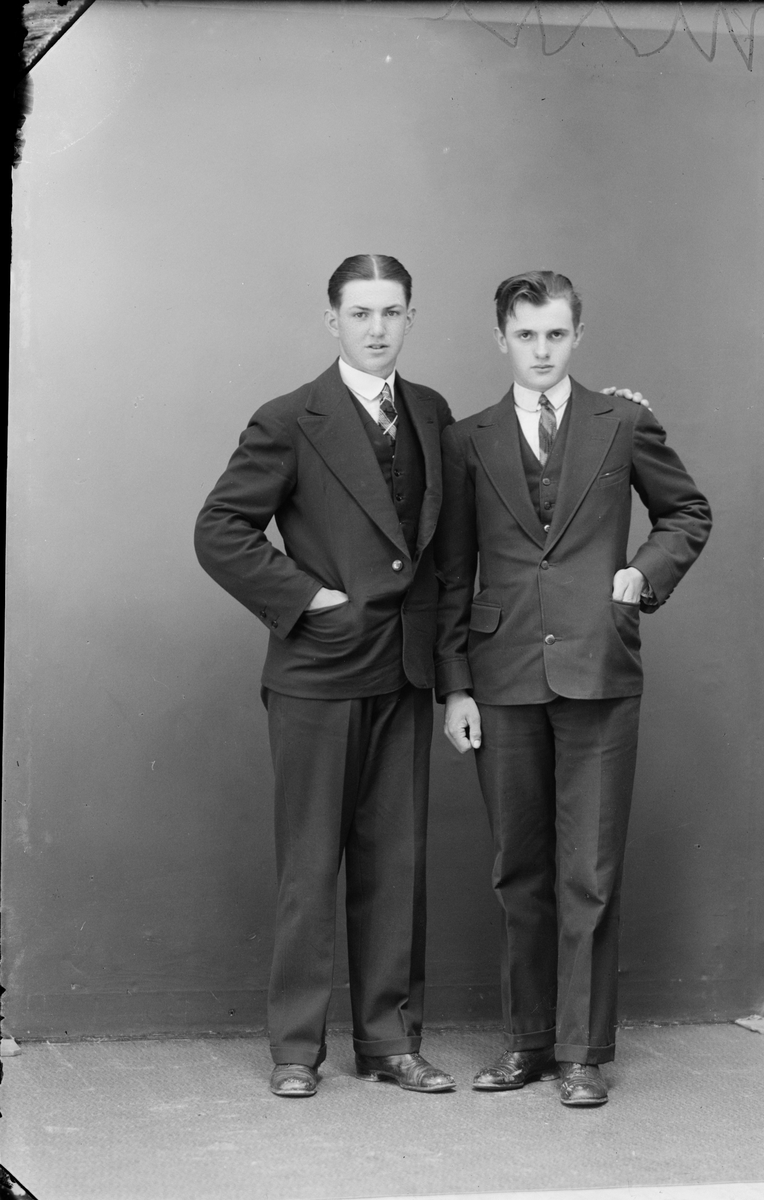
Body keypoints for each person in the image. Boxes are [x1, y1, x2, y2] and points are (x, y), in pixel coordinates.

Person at [435, 270, 712, 1107]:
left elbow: (686, 512)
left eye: (555, 334)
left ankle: (582, 1054)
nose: (541, 350)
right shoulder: (467, 439)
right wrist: (456, 687)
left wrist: (641, 574)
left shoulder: (621, 421)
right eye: (525, 335)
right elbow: (452, 571)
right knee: (517, 869)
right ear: (501, 339)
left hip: (599, 669)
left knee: (588, 870)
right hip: (502, 674)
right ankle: (527, 1044)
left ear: (576, 336)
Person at [194, 254, 457, 1097]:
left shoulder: (431, 412)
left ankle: (388, 1043)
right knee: (310, 867)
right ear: (332, 320)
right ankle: (295, 1051)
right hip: (317, 674)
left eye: (391, 312)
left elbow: (453, 537)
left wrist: (616, 412)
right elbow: (219, 530)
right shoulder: (288, 418)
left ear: (411, 317)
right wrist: (310, 599)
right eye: (361, 313)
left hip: (404, 672)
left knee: (395, 865)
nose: (377, 329)